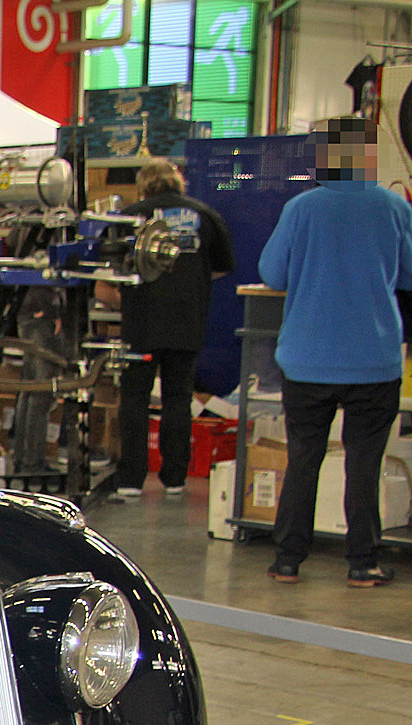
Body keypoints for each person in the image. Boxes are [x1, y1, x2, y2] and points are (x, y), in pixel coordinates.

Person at [259, 115, 412, 587]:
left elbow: (272, 274)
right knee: (364, 464)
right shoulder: (394, 208)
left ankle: (287, 559)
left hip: (307, 360)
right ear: (367, 156)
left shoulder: (300, 209)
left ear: (326, 157)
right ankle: (363, 563)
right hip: (374, 359)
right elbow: (408, 276)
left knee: (304, 457)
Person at [106, 158, 234, 501]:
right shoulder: (204, 216)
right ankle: (176, 477)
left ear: (144, 185)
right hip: (187, 322)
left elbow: (110, 267)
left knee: (134, 399)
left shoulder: (130, 216)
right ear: (178, 183)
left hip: (141, 322)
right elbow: (221, 268)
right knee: (178, 399)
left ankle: (131, 480)